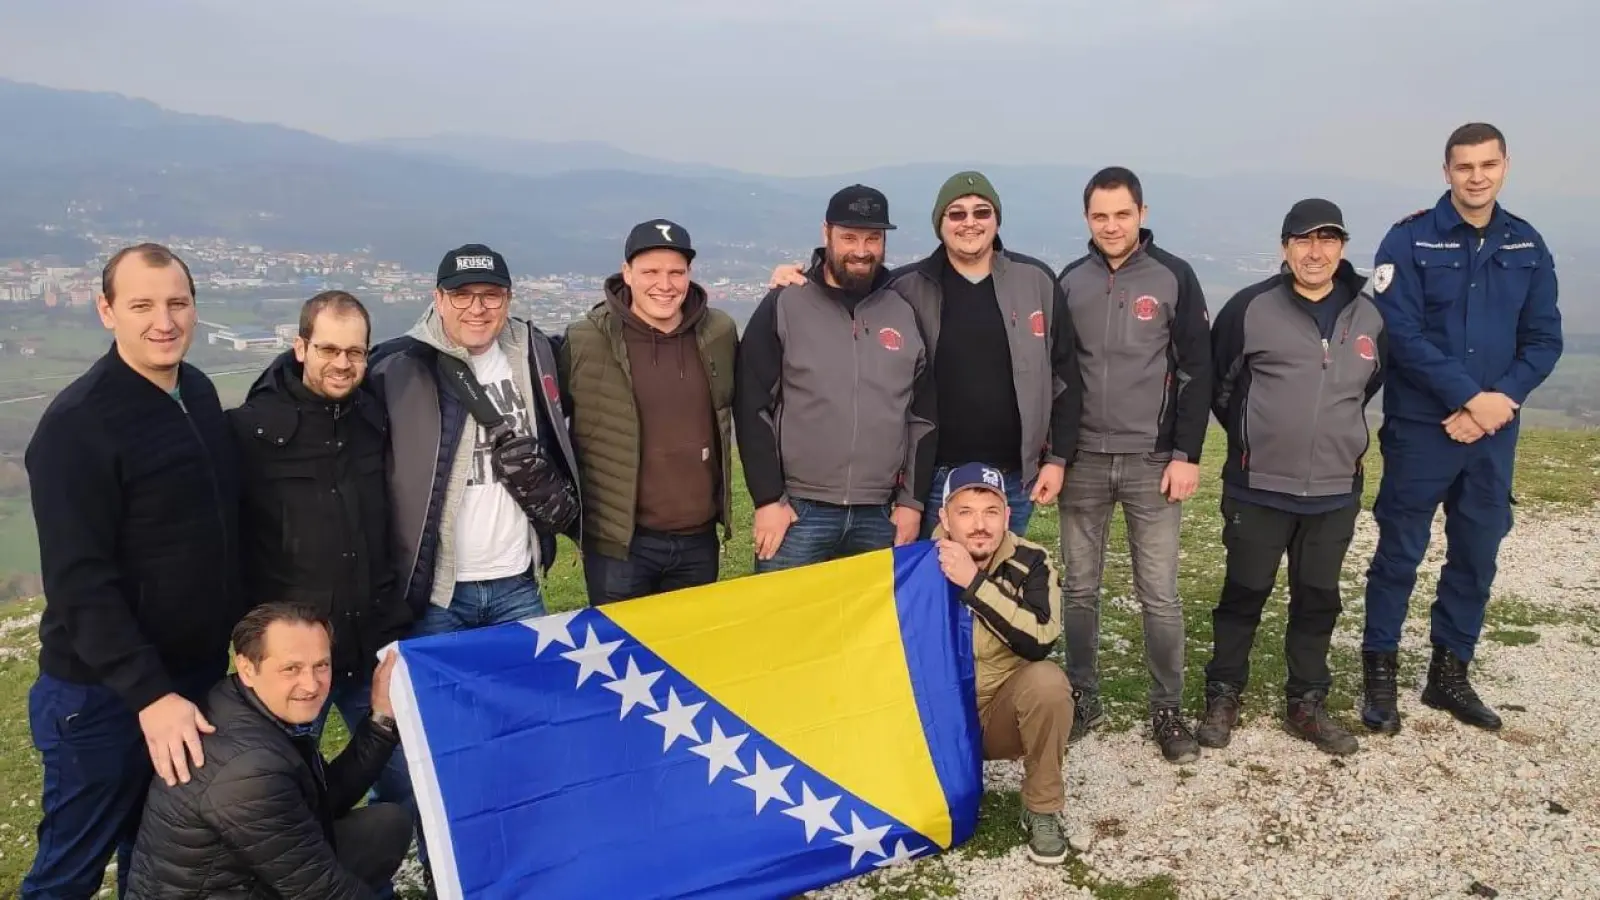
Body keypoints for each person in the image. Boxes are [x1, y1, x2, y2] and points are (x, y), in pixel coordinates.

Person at [21, 243, 242, 899]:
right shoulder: (76, 426)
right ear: (106, 310)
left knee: (160, 859)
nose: (163, 321)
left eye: (176, 303)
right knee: (70, 871)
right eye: (141, 305)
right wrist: (149, 695)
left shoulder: (197, 391)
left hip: (193, 678)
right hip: (103, 697)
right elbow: (80, 586)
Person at [1360, 123, 1563, 734]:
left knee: (1476, 554)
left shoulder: (1526, 244)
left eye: (1488, 165)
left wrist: (1500, 401)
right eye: (1464, 166)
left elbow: (1544, 337)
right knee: (1399, 554)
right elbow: (1403, 336)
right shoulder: (1409, 240)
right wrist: (1472, 398)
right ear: (1446, 170)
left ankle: (1449, 674)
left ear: (1505, 167)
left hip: (1494, 432)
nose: (1477, 176)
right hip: (1424, 428)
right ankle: (1380, 674)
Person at [767, 172, 1083, 538]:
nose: (970, 223)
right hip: (932, 480)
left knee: (997, 586)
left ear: (996, 220)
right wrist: (795, 278)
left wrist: (1057, 459)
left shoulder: (1037, 282)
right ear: (939, 223)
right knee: (929, 585)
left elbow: (1064, 376)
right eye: (957, 214)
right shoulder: (904, 287)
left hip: (1013, 477)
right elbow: (844, 287)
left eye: (981, 213)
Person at [226, 290, 415, 895]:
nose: (342, 363)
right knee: (292, 804)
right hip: (291, 662)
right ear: (300, 345)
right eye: (328, 348)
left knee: (406, 780)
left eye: (354, 351)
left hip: (365, 644)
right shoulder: (249, 431)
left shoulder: (371, 415)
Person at [1197, 199, 1386, 756]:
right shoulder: (1250, 308)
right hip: (1259, 488)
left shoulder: (1370, 317)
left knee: (1318, 599)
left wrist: (1334, 438)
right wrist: (1258, 441)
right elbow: (1221, 388)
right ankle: (1224, 692)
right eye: (1303, 240)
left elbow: (1366, 385)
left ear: (1343, 249)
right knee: (1243, 595)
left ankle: (1306, 701)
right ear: (1285, 249)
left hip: (1333, 491)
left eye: (1327, 240)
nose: (1315, 251)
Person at [1055, 167, 1213, 763]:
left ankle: (1166, 707)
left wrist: (1186, 454)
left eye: (1122, 214)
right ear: (1087, 219)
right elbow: (1057, 373)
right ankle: (1082, 694)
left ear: (1141, 213)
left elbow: (1198, 367)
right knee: (1079, 588)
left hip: (1153, 462)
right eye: (1100, 216)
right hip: (1084, 462)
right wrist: (1055, 454)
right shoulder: (1069, 282)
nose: (1112, 226)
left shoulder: (1175, 276)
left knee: (1160, 593)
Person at [124, 602, 413, 899]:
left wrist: (380, 720)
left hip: (247, 878)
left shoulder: (245, 701)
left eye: (321, 665)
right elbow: (322, 891)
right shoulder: (249, 771)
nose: (311, 685)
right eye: (291, 668)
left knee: (385, 826)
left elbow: (325, 797)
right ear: (248, 667)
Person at [367, 243, 580, 635]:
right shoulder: (397, 368)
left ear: (508, 299)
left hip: (518, 581)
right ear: (439, 299)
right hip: (436, 594)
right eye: (462, 295)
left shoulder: (537, 354)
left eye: (490, 295)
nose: (477, 309)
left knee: (526, 693)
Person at [734, 185, 935, 572]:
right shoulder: (786, 302)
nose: (861, 250)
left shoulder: (903, 311)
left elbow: (924, 417)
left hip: (879, 515)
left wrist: (911, 503)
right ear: (826, 233)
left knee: (868, 633)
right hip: (796, 513)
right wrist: (767, 500)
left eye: (872, 238)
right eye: (848, 237)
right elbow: (751, 404)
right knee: (783, 625)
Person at [559, 219, 738, 604]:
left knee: (687, 656)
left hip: (698, 539)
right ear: (627, 273)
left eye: (676, 272)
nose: (665, 284)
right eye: (651, 272)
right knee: (620, 658)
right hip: (620, 545)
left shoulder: (719, 332)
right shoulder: (584, 339)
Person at [933, 463, 1072, 866]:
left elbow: (1040, 639)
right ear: (944, 517)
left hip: (998, 716)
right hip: (934, 720)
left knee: (1048, 683)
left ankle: (1043, 807)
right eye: (966, 512)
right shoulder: (915, 566)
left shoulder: (1032, 562)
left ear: (1007, 516)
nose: (980, 525)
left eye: (991, 512)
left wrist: (973, 585)